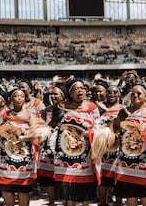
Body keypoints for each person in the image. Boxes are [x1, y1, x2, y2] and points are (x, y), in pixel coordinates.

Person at [113, 84, 146, 206]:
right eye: (133, 93)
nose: (135, 96)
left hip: (144, 162)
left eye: (139, 93)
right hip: (126, 161)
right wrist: (118, 121)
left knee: (145, 195)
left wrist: (142, 132)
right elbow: (115, 130)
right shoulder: (125, 111)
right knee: (130, 195)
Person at [53, 77, 100, 206]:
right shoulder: (61, 107)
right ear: (70, 93)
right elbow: (54, 126)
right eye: (75, 89)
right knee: (69, 190)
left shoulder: (92, 107)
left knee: (84, 189)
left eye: (82, 88)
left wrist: (89, 133)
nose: (80, 91)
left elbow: (98, 126)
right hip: (65, 152)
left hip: (85, 152)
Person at [0, 88, 39, 206]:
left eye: (22, 96)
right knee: (6, 188)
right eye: (16, 96)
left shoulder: (29, 115)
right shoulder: (5, 114)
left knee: (23, 189)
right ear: (11, 99)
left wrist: (21, 138)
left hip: (23, 155)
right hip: (6, 154)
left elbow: (36, 133)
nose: (19, 98)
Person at [39, 84, 67, 206]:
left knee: (65, 173)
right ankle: (51, 202)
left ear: (63, 96)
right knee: (48, 175)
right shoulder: (47, 109)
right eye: (51, 94)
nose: (53, 96)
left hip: (63, 142)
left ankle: (66, 200)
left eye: (56, 94)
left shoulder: (69, 109)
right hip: (49, 142)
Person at [98, 85, 124, 206]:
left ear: (119, 94)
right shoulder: (99, 108)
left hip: (119, 148)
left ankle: (118, 202)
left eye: (115, 92)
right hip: (102, 148)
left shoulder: (124, 109)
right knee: (103, 178)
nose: (112, 94)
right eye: (109, 92)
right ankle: (103, 202)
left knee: (118, 177)